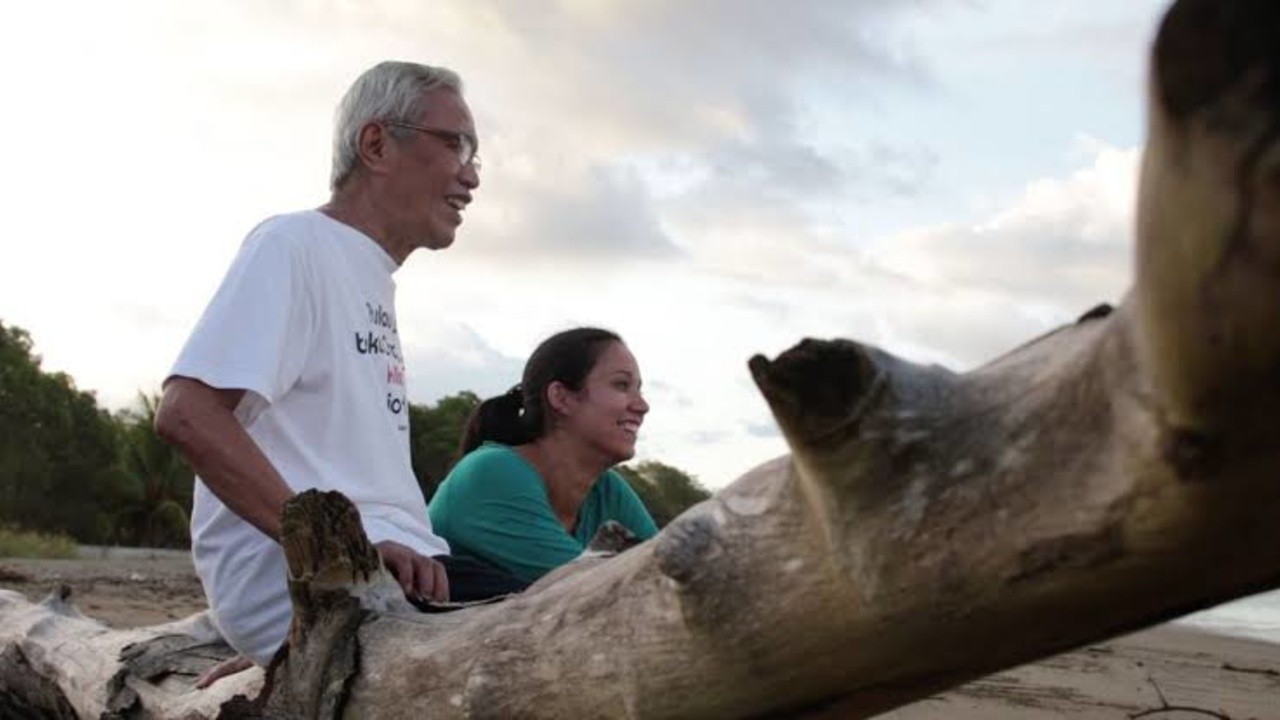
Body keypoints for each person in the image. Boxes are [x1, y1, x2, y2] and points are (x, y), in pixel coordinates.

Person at [155, 60, 525, 673]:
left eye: (476, 155)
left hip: (385, 577)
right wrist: (330, 565)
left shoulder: (365, 274)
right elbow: (188, 413)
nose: (471, 176)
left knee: (571, 594)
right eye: (455, 144)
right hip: (344, 583)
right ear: (376, 144)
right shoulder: (295, 245)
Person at [428, 327, 659, 584]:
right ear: (561, 398)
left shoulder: (607, 490)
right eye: (621, 385)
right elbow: (601, 590)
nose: (642, 406)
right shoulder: (493, 474)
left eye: (639, 389)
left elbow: (664, 574)